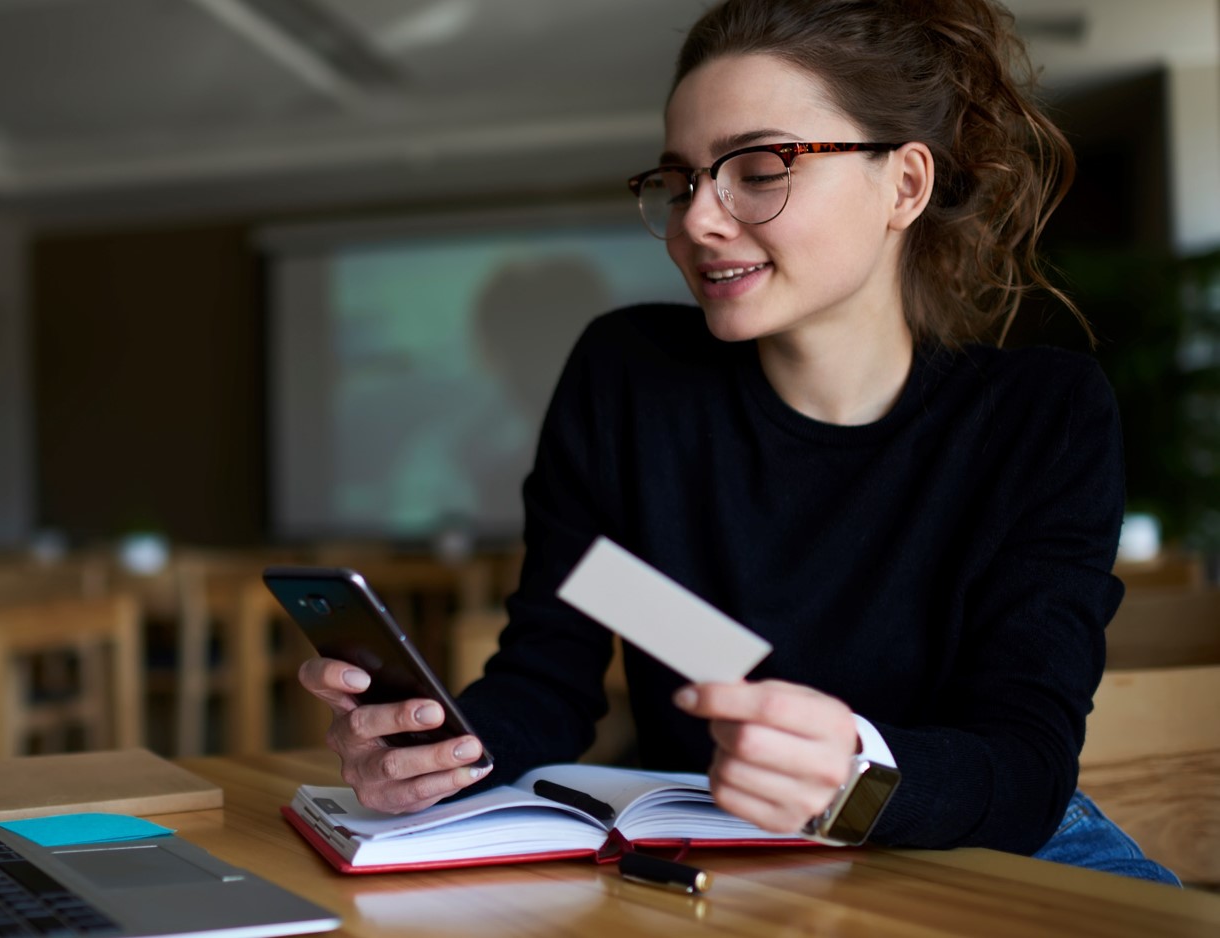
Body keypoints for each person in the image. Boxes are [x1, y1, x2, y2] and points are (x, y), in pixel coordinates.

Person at [297, 0, 1181, 885]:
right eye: (680, 181)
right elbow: (547, 676)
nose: (697, 221)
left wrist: (854, 781)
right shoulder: (629, 381)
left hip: (984, 850)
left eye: (758, 169)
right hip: (713, 845)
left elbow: (1024, 764)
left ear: (905, 185)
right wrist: (437, 755)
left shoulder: (1040, 417)